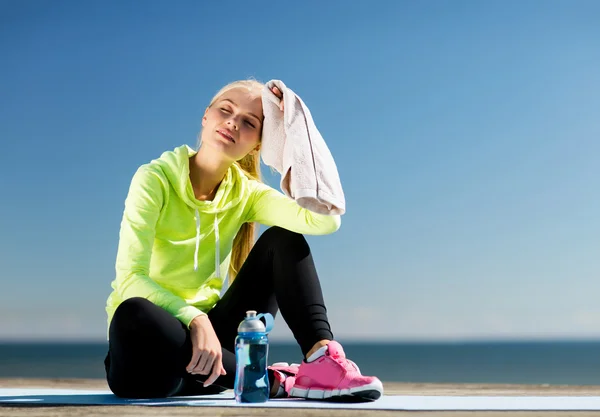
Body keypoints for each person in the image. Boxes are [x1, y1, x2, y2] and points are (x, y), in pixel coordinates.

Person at [104, 79, 384, 402]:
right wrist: (194, 319)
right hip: (150, 359)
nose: (233, 122)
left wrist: (294, 131)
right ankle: (267, 378)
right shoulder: (154, 179)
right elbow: (129, 279)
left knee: (283, 240)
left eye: (249, 122)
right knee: (133, 312)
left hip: (212, 352)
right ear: (206, 117)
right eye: (225, 110)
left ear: (257, 145)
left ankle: (320, 362)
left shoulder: (245, 194)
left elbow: (325, 219)